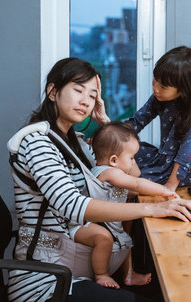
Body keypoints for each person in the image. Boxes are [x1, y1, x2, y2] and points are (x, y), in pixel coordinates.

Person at [6, 58, 191, 302]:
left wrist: (106, 124)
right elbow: (73, 206)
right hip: (46, 283)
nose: (85, 101)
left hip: (75, 270)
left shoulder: (75, 142)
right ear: (53, 92)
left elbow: (132, 174)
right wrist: (154, 208)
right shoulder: (38, 142)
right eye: (78, 91)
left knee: (173, 293)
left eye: (92, 95)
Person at [74, 121, 179, 289]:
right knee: (104, 240)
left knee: (126, 238)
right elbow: (137, 184)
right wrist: (165, 190)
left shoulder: (106, 171)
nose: (133, 162)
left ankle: (128, 275)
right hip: (96, 225)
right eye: (131, 158)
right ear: (114, 160)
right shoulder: (109, 172)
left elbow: (127, 191)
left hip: (111, 223)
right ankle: (101, 274)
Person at [127, 46, 191, 191]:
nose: (156, 88)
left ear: (184, 89)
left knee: (132, 182)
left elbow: (186, 154)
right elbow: (137, 121)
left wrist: (170, 186)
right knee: (126, 155)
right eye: (155, 81)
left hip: (184, 170)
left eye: (163, 86)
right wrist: (111, 138)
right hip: (164, 159)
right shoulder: (159, 97)